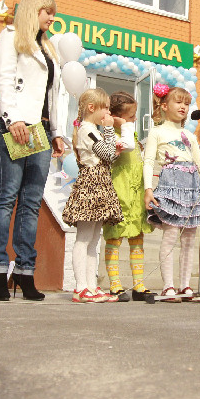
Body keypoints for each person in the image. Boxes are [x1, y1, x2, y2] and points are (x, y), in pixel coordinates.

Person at [0, 0, 66, 301]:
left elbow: (52, 94)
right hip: (16, 125)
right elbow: (4, 78)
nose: (52, 18)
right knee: (6, 197)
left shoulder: (48, 47)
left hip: (41, 130)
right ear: (33, 11)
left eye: (53, 13)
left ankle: (24, 271)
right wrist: (13, 118)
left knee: (31, 202)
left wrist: (56, 131)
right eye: (47, 12)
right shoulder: (11, 36)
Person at [143, 85, 200, 302]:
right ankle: (168, 285)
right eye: (178, 102)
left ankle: (185, 284)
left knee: (189, 239)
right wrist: (148, 189)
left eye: (186, 103)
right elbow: (148, 161)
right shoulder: (157, 132)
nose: (183, 107)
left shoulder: (189, 135)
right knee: (170, 236)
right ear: (164, 106)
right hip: (171, 186)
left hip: (192, 189)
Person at [63, 88, 123, 304]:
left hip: (100, 183)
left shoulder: (92, 130)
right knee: (84, 237)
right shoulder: (88, 130)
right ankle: (80, 287)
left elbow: (109, 154)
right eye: (105, 107)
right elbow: (108, 154)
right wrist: (109, 129)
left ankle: (91, 285)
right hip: (91, 184)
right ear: (91, 108)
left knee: (94, 238)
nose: (108, 112)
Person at [103, 91, 153, 300]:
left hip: (135, 193)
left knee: (137, 238)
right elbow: (125, 148)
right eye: (131, 117)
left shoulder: (130, 134)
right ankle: (115, 284)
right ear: (116, 117)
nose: (134, 120)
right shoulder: (112, 136)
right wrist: (121, 125)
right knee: (115, 238)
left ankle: (138, 285)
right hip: (119, 192)